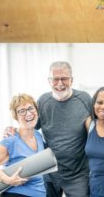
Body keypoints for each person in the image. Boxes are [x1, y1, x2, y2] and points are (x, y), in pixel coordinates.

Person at [36, 61, 91, 196]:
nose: (60, 84)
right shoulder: (43, 101)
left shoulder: (84, 99)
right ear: (49, 81)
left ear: (71, 80)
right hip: (50, 172)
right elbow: (30, 127)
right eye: (55, 79)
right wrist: (13, 130)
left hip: (78, 174)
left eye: (64, 79)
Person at [0, 94, 46, 197]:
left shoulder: (38, 135)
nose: (28, 113)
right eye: (22, 111)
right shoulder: (11, 140)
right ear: (15, 116)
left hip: (39, 193)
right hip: (17, 194)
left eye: (31, 108)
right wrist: (8, 180)